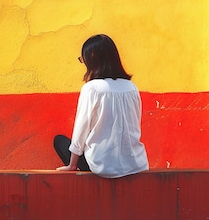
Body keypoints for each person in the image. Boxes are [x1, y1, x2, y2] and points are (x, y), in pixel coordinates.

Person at [54, 34, 149, 178]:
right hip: (136, 164)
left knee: (59, 141)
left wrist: (72, 165)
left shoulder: (92, 88)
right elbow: (134, 125)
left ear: (92, 60)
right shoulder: (132, 87)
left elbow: (81, 128)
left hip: (104, 166)